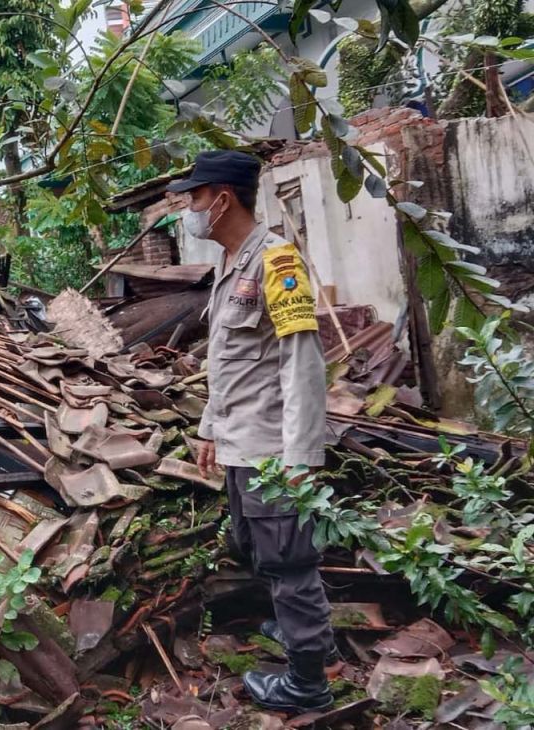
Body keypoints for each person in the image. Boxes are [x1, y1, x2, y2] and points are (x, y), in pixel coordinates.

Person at [166, 150, 335, 713]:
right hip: (241, 443)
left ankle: (308, 682)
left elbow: (301, 362)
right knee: (257, 548)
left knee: (289, 563)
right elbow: (230, 361)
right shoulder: (230, 264)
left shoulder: (276, 262)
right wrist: (211, 428)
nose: (188, 209)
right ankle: (294, 631)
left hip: (272, 449)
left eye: (194, 197)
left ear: (222, 198)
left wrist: (302, 454)